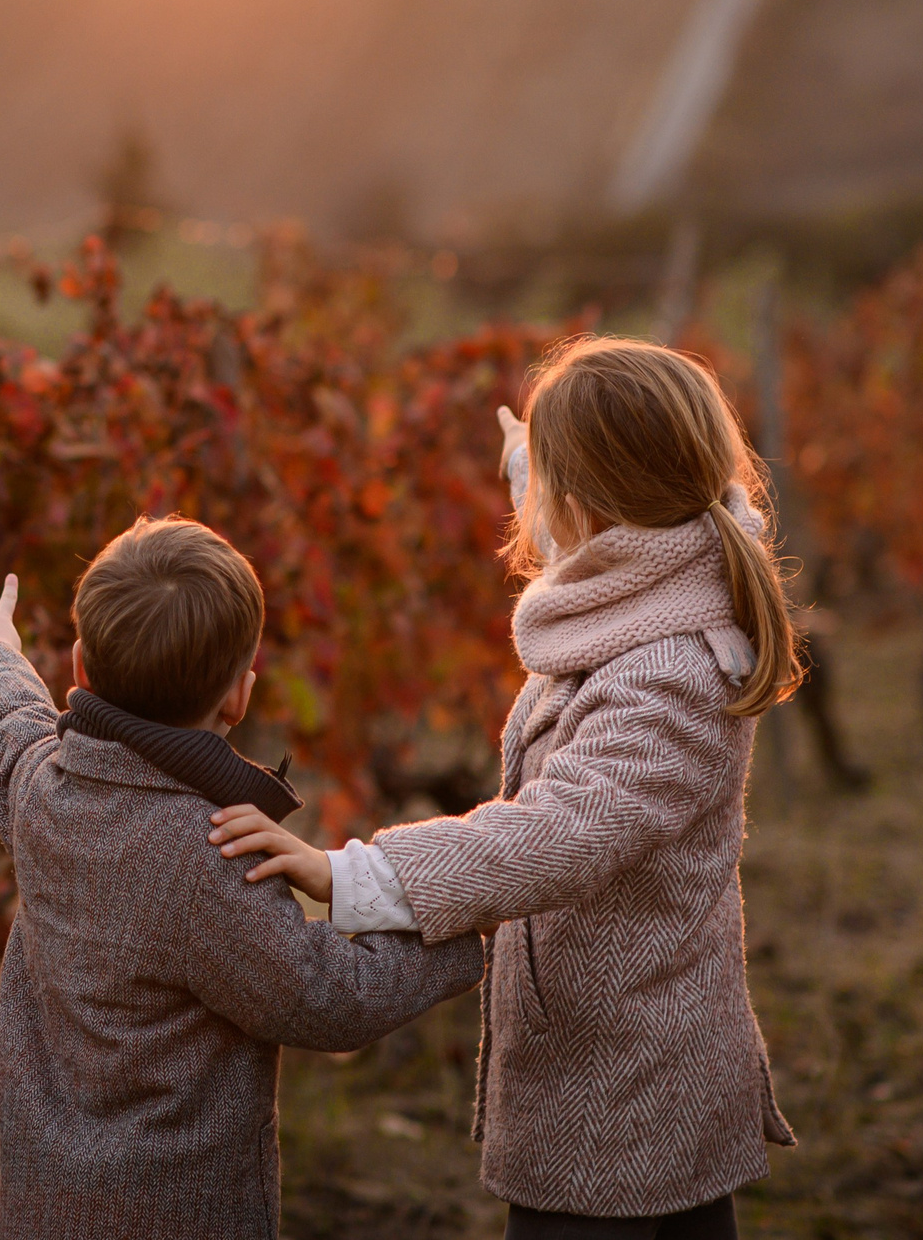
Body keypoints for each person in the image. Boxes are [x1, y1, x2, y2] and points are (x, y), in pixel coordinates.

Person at [208, 337, 800, 1239]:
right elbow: (595, 527)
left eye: (549, 485)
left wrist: (357, 875)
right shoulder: (672, 568)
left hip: (623, 1102)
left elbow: (558, 832)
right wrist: (533, 459)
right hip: (630, 1067)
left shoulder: (671, 673)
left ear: (590, 501)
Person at [0, 515, 484, 1240]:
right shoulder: (212, 856)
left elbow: (4, 724)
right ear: (239, 696)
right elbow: (322, 996)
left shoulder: (43, 791)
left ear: (78, 668)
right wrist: (468, 929)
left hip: (41, 1212)